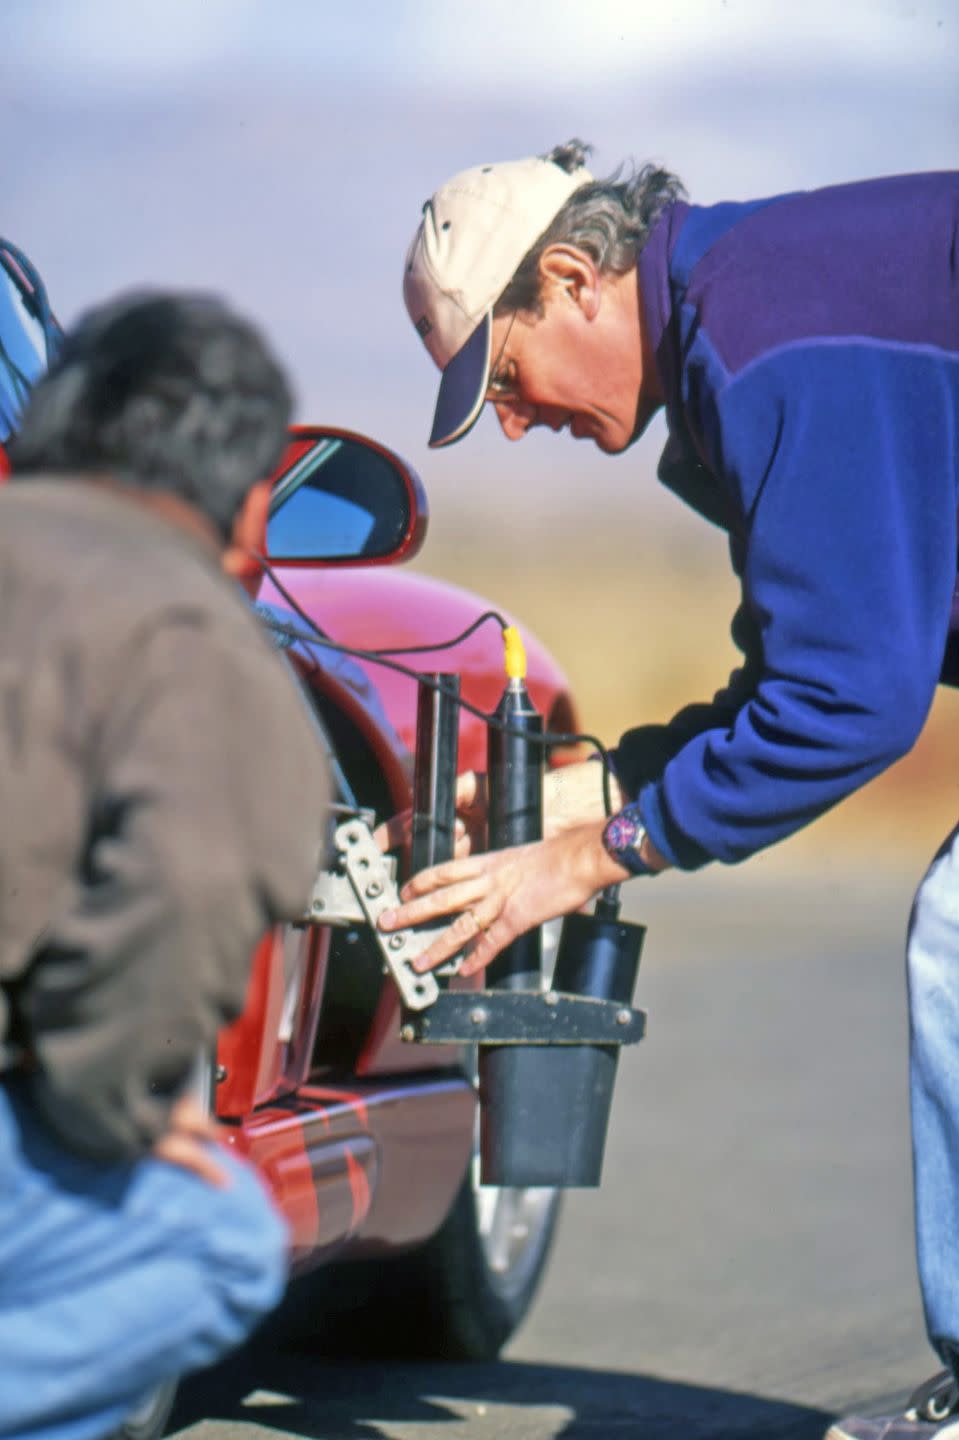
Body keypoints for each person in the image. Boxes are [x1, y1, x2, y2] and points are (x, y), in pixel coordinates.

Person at [386, 141, 959, 1440]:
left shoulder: (764, 341)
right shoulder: (744, 314)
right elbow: (811, 668)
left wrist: (591, 856)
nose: (517, 426)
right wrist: (609, 780)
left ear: (575, 280)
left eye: (508, 381)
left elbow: (848, 707)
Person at [0, 292, 331, 1440]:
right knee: (221, 1239)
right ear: (249, 509)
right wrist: (117, 1106)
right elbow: (181, 895)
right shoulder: (187, 633)